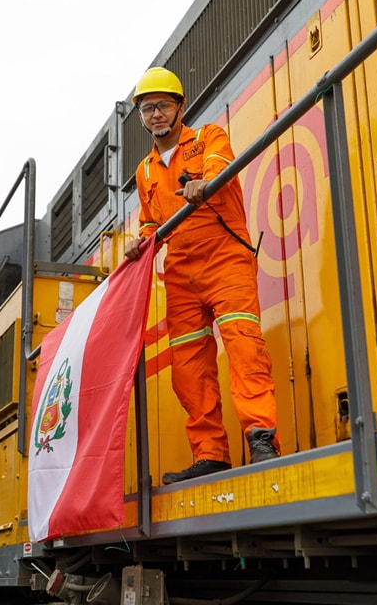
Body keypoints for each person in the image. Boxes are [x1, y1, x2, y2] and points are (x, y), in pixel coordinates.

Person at [124, 67, 280, 484]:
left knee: (244, 346)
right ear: (141, 117)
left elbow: (219, 166)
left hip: (225, 257)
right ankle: (210, 453)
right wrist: (140, 241)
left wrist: (204, 183)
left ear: (181, 107)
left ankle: (261, 437)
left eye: (163, 105)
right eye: (147, 109)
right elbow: (150, 222)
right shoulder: (144, 171)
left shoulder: (209, 137)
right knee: (189, 368)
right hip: (180, 272)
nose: (156, 114)